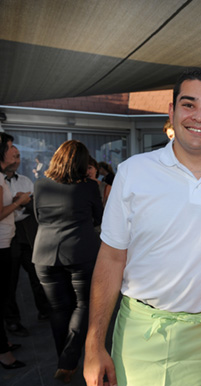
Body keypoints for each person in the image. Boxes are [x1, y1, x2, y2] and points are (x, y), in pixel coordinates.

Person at [83, 67, 201, 386]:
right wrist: (94, 345)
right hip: (143, 337)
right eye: (189, 104)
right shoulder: (133, 172)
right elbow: (110, 259)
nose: (199, 117)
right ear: (172, 111)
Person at [33, 140, 104, 383]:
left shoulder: (40, 184)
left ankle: (63, 359)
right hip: (80, 252)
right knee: (83, 305)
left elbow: (38, 217)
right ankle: (69, 359)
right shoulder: (89, 187)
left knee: (58, 308)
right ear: (83, 163)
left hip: (44, 255)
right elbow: (98, 218)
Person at [4, 146, 50, 339]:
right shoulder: (1, 182)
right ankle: (12, 321)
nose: (18, 159)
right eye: (14, 156)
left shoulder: (25, 180)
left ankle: (45, 310)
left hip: (27, 233)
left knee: (36, 274)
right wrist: (16, 202)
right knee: (10, 281)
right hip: (7, 235)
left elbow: (35, 205)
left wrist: (23, 202)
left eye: (19, 156)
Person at [0, 133, 32, 370]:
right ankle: (4, 353)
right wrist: (18, 203)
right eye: (10, 147)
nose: (14, 152)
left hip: (9, 238)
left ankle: (4, 342)